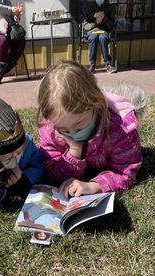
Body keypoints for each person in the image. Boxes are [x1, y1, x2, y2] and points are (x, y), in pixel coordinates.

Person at [37, 60, 147, 197]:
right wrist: (74, 153)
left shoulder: (120, 128)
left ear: (97, 105)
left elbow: (125, 171)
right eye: (63, 128)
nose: (72, 134)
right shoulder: (51, 131)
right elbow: (52, 174)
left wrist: (95, 186)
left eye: (79, 124)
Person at [83, 0, 117, 73]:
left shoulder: (109, 8)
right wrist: (95, 23)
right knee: (93, 38)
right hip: (92, 31)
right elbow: (85, 26)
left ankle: (108, 64)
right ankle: (92, 64)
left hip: (104, 30)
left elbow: (112, 26)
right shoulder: (90, 8)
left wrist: (104, 18)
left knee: (103, 38)